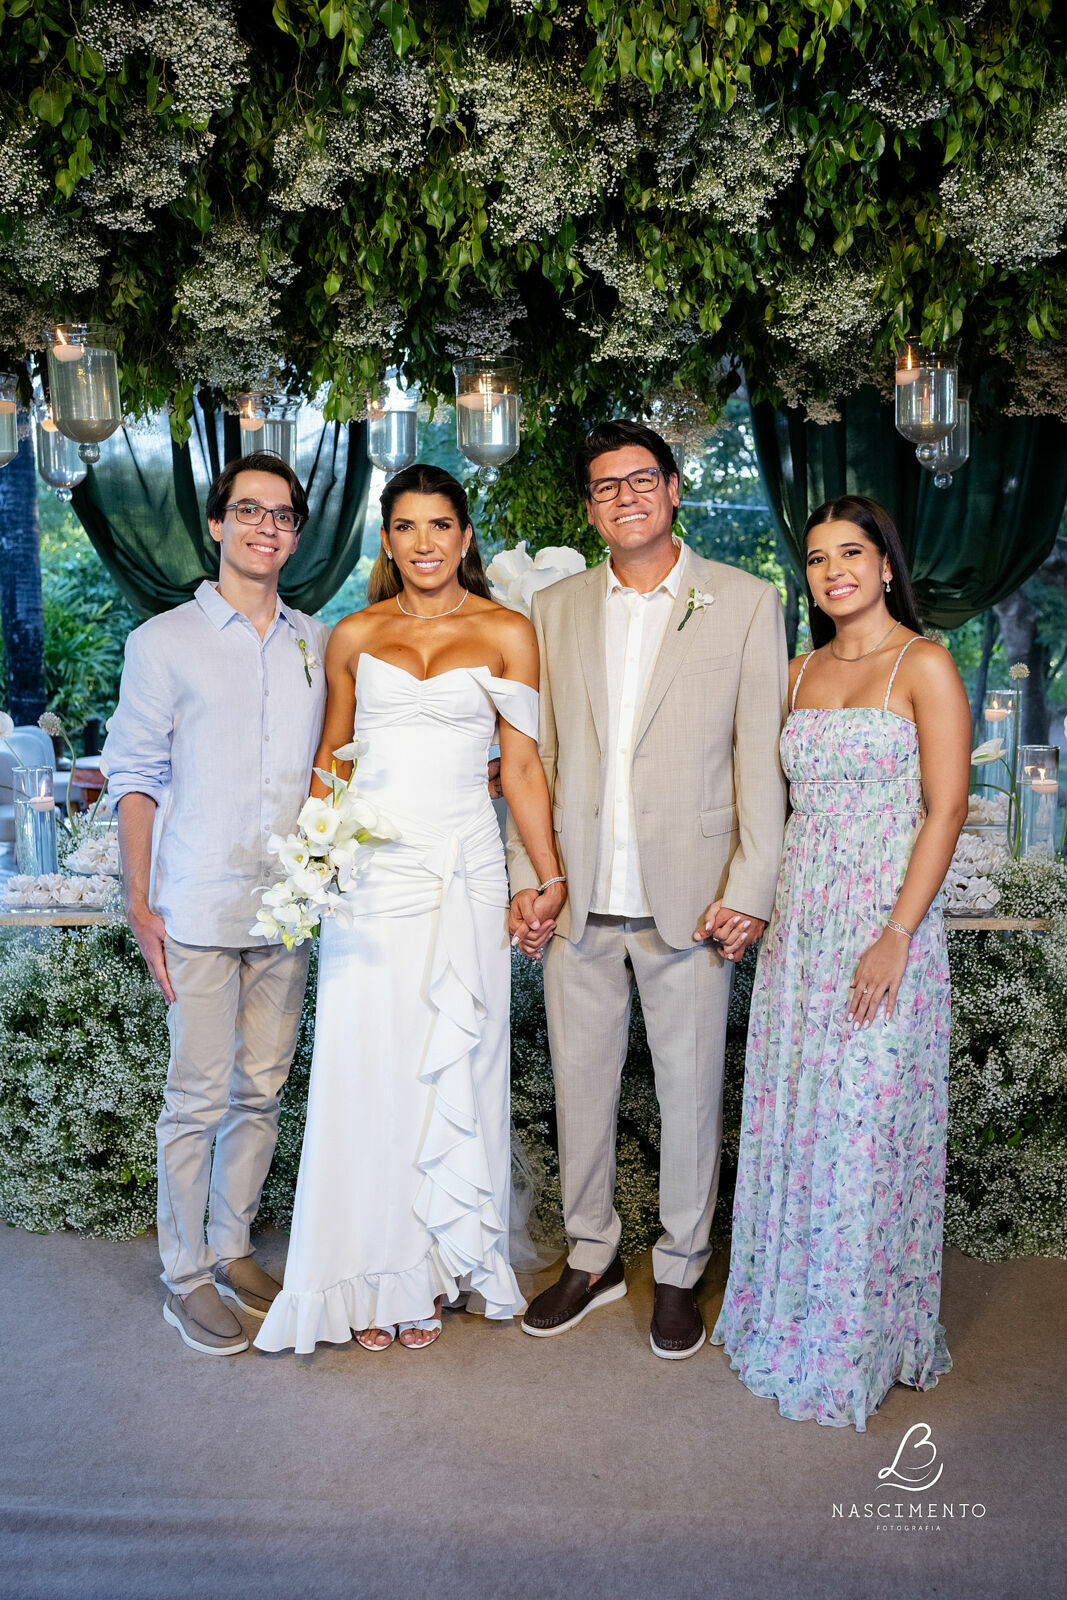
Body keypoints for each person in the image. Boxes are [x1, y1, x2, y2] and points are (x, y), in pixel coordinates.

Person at [255, 464, 564, 1355]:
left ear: (463, 536)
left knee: (457, 1064)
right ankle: (364, 1273)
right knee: (368, 1068)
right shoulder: (354, 634)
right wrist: (311, 867)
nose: (423, 543)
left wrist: (546, 875)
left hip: (465, 870)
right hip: (372, 877)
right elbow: (332, 760)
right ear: (386, 540)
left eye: (439, 525)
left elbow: (523, 766)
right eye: (405, 527)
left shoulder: (507, 631)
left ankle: (432, 1269)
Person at [509, 420, 788, 1359]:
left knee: (690, 1095)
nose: (623, 498)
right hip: (578, 896)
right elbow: (536, 756)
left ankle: (679, 1267)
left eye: (640, 481)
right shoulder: (554, 607)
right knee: (578, 1092)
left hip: (693, 899)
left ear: (672, 489)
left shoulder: (744, 600)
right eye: (604, 487)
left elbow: (759, 755)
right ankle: (589, 1256)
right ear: (588, 509)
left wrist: (750, 885)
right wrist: (530, 875)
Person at [711, 494, 970, 1429]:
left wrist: (896, 933)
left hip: (883, 923)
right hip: (801, 926)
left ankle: (860, 1335)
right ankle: (788, 1312)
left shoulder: (923, 664)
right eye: (817, 559)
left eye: (851, 553)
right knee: (799, 1117)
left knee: (866, 1126)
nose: (834, 572)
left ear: (885, 563)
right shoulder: (794, 673)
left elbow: (945, 807)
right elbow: (762, 805)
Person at [103, 452, 329, 1356]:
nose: (265, 527)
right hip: (196, 900)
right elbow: (135, 776)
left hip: (287, 908)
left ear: (296, 534)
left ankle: (232, 1247)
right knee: (196, 1098)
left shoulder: (318, 640)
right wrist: (140, 899)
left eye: (281, 514)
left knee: (261, 1090)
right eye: (248, 510)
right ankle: (184, 1274)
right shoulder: (163, 641)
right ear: (216, 524)